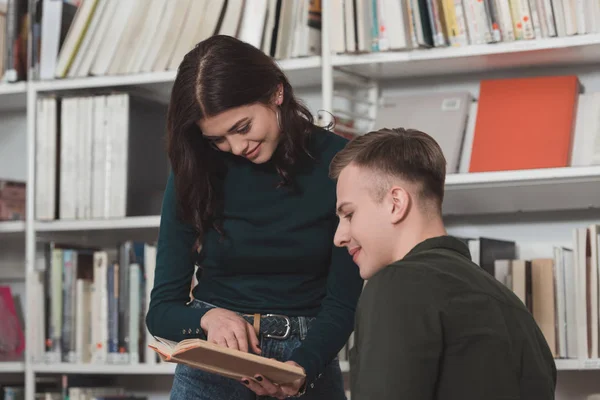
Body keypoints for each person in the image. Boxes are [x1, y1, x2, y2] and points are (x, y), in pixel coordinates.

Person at [145, 34, 363, 400]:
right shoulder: (195, 169)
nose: (236, 148)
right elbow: (161, 311)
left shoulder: (342, 164)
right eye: (217, 139)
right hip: (214, 366)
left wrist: (301, 370)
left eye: (242, 128)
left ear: (276, 92)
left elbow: (342, 304)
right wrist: (207, 319)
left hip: (307, 360)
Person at [329, 128, 557, 399]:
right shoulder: (515, 310)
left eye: (349, 214)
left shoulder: (396, 287)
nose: (339, 237)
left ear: (396, 203)